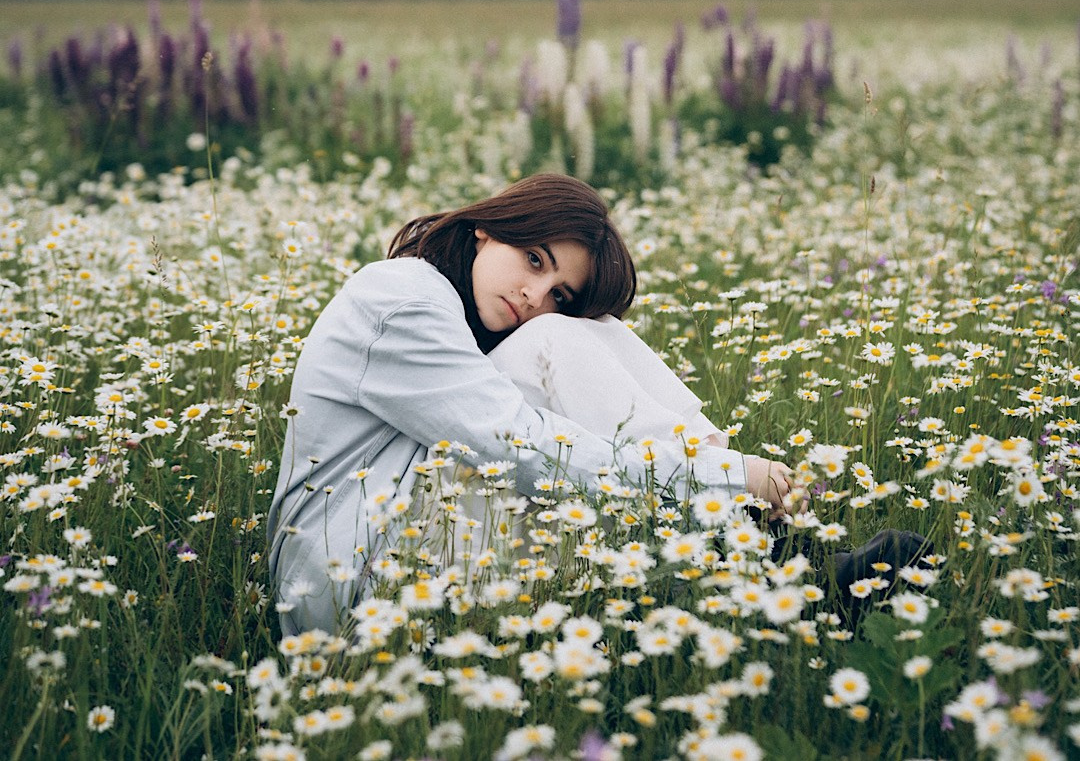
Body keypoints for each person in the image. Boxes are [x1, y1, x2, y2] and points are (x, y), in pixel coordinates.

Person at [268, 173, 795, 635]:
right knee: (554, 341)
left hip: (401, 548)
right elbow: (527, 450)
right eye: (534, 259)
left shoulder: (454, 312)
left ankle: (746, 537)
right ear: (490, 228)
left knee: (592, 330)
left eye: (559, 291)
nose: (534, 295)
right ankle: (751, 544)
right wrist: (722, 474)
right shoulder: (402, 299)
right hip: (355, 590)